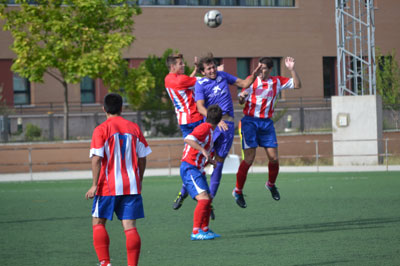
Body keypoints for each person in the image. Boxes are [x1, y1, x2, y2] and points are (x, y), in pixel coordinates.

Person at [85, 93, 152, 266]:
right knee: (130, 227)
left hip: (108, 186)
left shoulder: (100, 130)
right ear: (122, 108)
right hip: (131, 185)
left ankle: (105, 263)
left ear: (104, 109)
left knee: (98, 222)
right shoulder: (134, 128)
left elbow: (97, 159)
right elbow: (143, 157)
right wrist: (140, 179)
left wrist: (94, 185)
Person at [195, 55, 262, 216]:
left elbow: (244, 84)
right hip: (211, 126)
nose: (212, 70)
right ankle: (185, 192)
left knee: (218, 163)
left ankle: (208, 202)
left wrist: (254, 73)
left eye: (213, 67)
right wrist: (215, 120)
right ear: (203, 72)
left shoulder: (223, 76)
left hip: (228, 125)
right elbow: (200, 107)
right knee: (200, 161)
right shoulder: (200, 83)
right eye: (208, 69)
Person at [233, 57, 301, 208]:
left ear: (270, 69)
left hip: (266, 123)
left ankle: (271, 184)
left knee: (274, 158)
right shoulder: (252, 81)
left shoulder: (277, 81)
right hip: (250, 122)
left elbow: (297, 85)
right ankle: (238, 191)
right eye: (259, 68)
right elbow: (240, 99)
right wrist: (242, 97)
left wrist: (292, 69)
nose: (261, 71)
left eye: (264, 68)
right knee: (249, 159)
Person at [164, 53, 204, 210]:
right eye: (180, 64)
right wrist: (217, 72)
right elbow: (204, 80)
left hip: (184, 122)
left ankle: (184, 193)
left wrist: (195, 70)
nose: (183, 66)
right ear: (173, 66)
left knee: (191, 158)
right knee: (199, 159)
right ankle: (199, 195)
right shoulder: (181, 80)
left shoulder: (169, 78)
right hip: (195, 120)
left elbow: (186, 81)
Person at [180, 104, 222, 240]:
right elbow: (188, 139)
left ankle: (205, 229)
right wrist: (203, 151)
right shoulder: (204, 128)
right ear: (220, 119)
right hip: (189, 167)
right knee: (203, 199)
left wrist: (210, 160)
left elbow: (199, 149)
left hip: (197, 168)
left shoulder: (209, 130)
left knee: (208, 199)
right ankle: (196, 232)